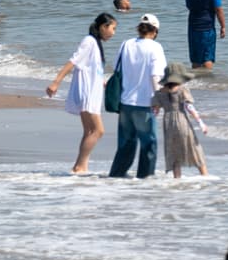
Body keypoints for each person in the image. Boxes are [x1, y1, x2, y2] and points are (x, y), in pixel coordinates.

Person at [46, 13, 117, 174]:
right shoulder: (90, 41)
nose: (114, 32)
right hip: (87, 92)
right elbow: (74, 60)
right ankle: (79, 166)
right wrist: (56, 81)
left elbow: (92, 68)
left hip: (91, 89)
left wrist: (102, 81)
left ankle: (81, 166)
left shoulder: (95, 43)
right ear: (103, 27)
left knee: (89, 131)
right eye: (113, 28)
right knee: (98, 131)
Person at [108, 14, 166, 179]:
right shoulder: (155, 47)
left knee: (126, 143)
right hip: (145, 102)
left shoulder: (126, 44)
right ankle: (145, 179)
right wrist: (159, 100)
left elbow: (116, 67)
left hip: (125, 101)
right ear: (154, 31)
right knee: (149, 143)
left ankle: (116, 176)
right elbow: (156, 76)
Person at [151, 61, 208, 178]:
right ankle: (205, 176)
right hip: (182, 121)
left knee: (173, 151)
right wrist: (201, 123)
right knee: (194, 148)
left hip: (168, 123)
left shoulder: (159, 93)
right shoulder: (182, 90)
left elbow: (154, 112)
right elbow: (189, 107)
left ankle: (177, 180)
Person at [185, 0, 225, 69]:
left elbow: (189, 7)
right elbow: (219, 10)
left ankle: (197, 83)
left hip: (192, 29)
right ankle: (207, 83)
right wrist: (223, 26)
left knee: (196, 60)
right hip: (207, 29)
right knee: (207, 58)